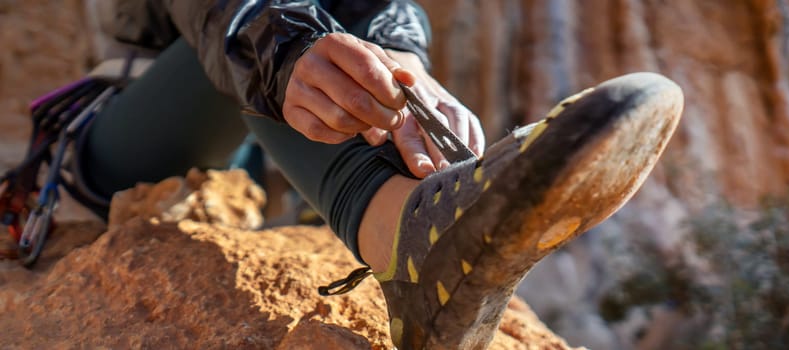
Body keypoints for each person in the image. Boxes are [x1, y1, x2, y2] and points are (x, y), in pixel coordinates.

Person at [64, 1, 683, 348]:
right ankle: (404, 239)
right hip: (111, 157)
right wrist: (280, 45)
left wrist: (400, 67)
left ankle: (424, 221)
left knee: (331, 36)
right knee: (264, 42)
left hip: (243, 156)